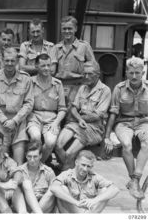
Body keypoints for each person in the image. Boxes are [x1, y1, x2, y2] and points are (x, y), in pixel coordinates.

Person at [104, 56, 148, 199]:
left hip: (144, 123)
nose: (134, 76)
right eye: (131, 73)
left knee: (146, 143)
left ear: (143, 72)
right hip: (124, 123)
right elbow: (113, 112)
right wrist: (107, 136)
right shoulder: (119, 88)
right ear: (126, 73)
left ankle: (135, 179)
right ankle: (133, 178)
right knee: (127, 145)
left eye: (137, 73)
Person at [55, 61, 111, 170]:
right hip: (77, 123)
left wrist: (78, 118)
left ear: (97, 75)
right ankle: (71, 169)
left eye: (90, 74)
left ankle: (66, 175)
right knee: (57, 146)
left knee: (70, 154)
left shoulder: (105, 90)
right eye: (85, 74)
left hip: (93, 128)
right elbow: (74, 108)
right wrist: (79, 119)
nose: (86, 76)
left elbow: (97, 116)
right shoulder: (82, 88)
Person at [0, 47, 34, 164]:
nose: (9, 64)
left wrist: (15, 121)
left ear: (17, 62)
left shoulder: (25, 78)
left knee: (19, 161)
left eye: (12, 61)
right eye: (7, 61)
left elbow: (29, 103)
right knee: (0, 161)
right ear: (2, 61)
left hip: (18, 122)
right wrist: (4, 120)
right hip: (0, 121)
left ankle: (17, 180)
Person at [50, 150, 119, 213]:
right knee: (62, 188)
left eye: (88, 166)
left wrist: (94, 200)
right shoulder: (67, 174)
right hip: (71, 212)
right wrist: (76, 203)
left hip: (90, 213)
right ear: (76, 162)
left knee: (105, 190)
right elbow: (54, 188)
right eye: (83, 165)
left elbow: (115, 189)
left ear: (92, 166)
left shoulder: (94, 176)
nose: (85, 169)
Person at [27, 53, 66, 162]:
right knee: (35, 136)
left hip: (52, 119)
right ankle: (34, 164)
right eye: (43, 66)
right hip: (34, 116)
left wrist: (56, 123)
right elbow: (26, 104)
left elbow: (62, 109)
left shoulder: (58, 84)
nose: (47, 68)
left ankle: (38, 164)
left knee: (50, 142)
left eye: (49, 65)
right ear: (36, 66)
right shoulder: (30, 82)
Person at [50, 16, 96, 106]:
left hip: (79, 87)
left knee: (74, 113)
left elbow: (93, 68)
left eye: (70, 28)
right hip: (59, 87)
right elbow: (51, 71)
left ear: (75, 29)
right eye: (64, 29)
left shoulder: (84, 47)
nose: (67, 31)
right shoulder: (55, 48)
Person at [20, 141, 56, 213]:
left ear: (40, 156)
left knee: (53, 189)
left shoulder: (48, 172)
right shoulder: (19, 171)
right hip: (26, 209)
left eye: (35, 156)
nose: (32, 160)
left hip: (44, 207)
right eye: (29, 156)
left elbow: (53, 196)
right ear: (25, 155)